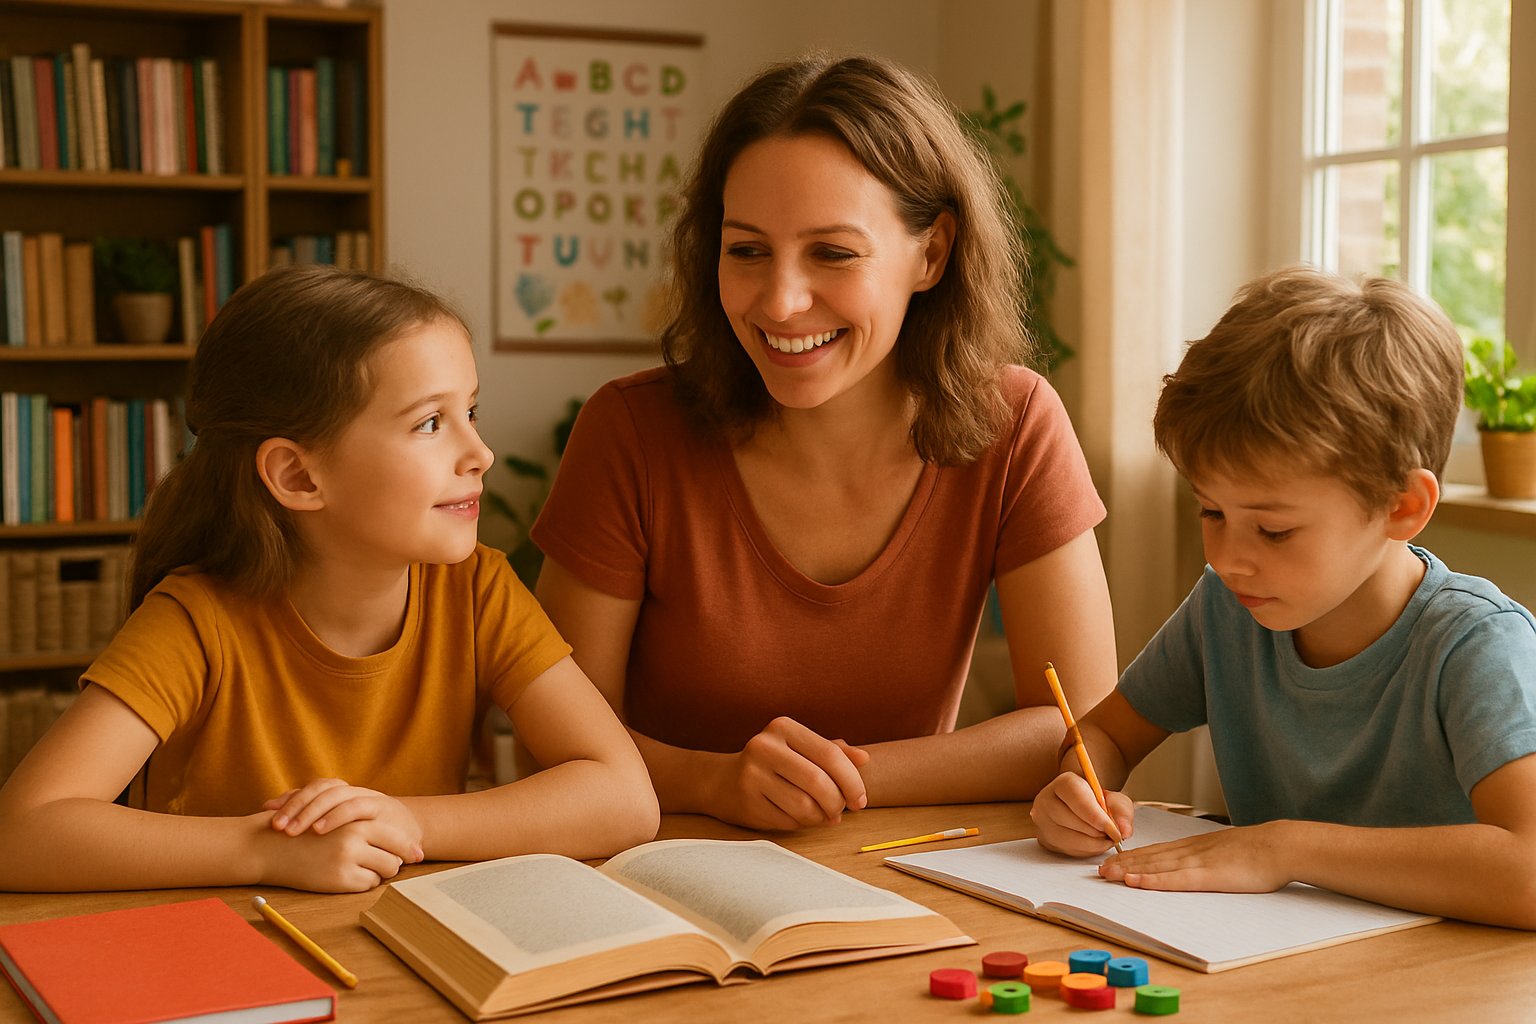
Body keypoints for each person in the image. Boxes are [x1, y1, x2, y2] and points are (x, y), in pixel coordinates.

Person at [531, 53, 1118, 832]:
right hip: (662, 877)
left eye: (832, 253)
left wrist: (830, 781)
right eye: (746, 251)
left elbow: (1076, 729)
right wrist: (714, 782)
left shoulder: (1018, 423)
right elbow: (558, 739)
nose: (780, 300)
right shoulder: (630, 432)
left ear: (931, 254)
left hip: (902, 872)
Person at [0, 265, 658, 893]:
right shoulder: (196, 621)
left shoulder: (478, 591)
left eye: (472, 413)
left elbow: (624, 798)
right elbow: (21, 831)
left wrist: (404, 821)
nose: (479, 454)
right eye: (431, 423)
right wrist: (264, 850)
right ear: (298, 477)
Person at [1029, 266, 1536, 929]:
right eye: (1211, 512)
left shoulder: (1478, 645)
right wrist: (1081, 786)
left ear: (1402, 507)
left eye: (1274, 529)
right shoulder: (1226, 609)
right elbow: (1104, 731)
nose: (1228, 558)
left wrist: (1287, 847)